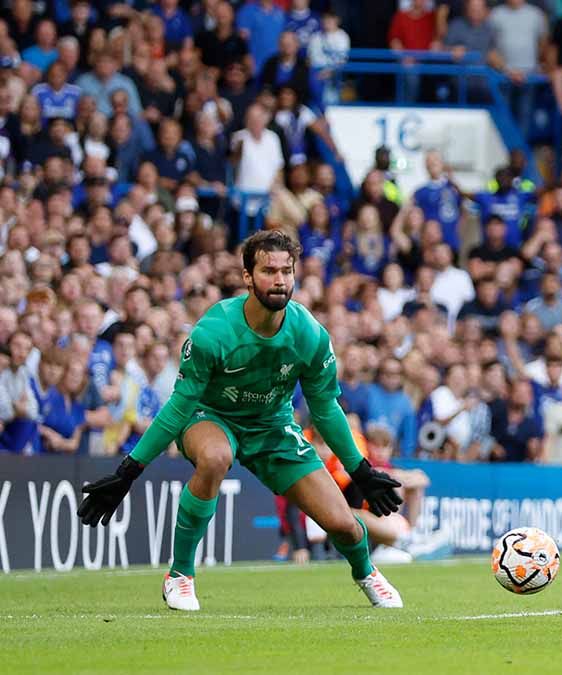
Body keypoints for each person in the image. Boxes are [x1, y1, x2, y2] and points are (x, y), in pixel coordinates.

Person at [77, 231, 406, 611]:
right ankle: (181, 574)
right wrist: (129, 470)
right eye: (268, 271)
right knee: (215, 457)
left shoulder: (310, 334)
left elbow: (326, 408)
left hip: (273, 426)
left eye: (287, 271)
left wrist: (360, 470)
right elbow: (179, 406)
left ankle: (366, 572)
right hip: (209, 416)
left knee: (344, 524)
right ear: (248, 277)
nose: (280, 280)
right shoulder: (213, 332)